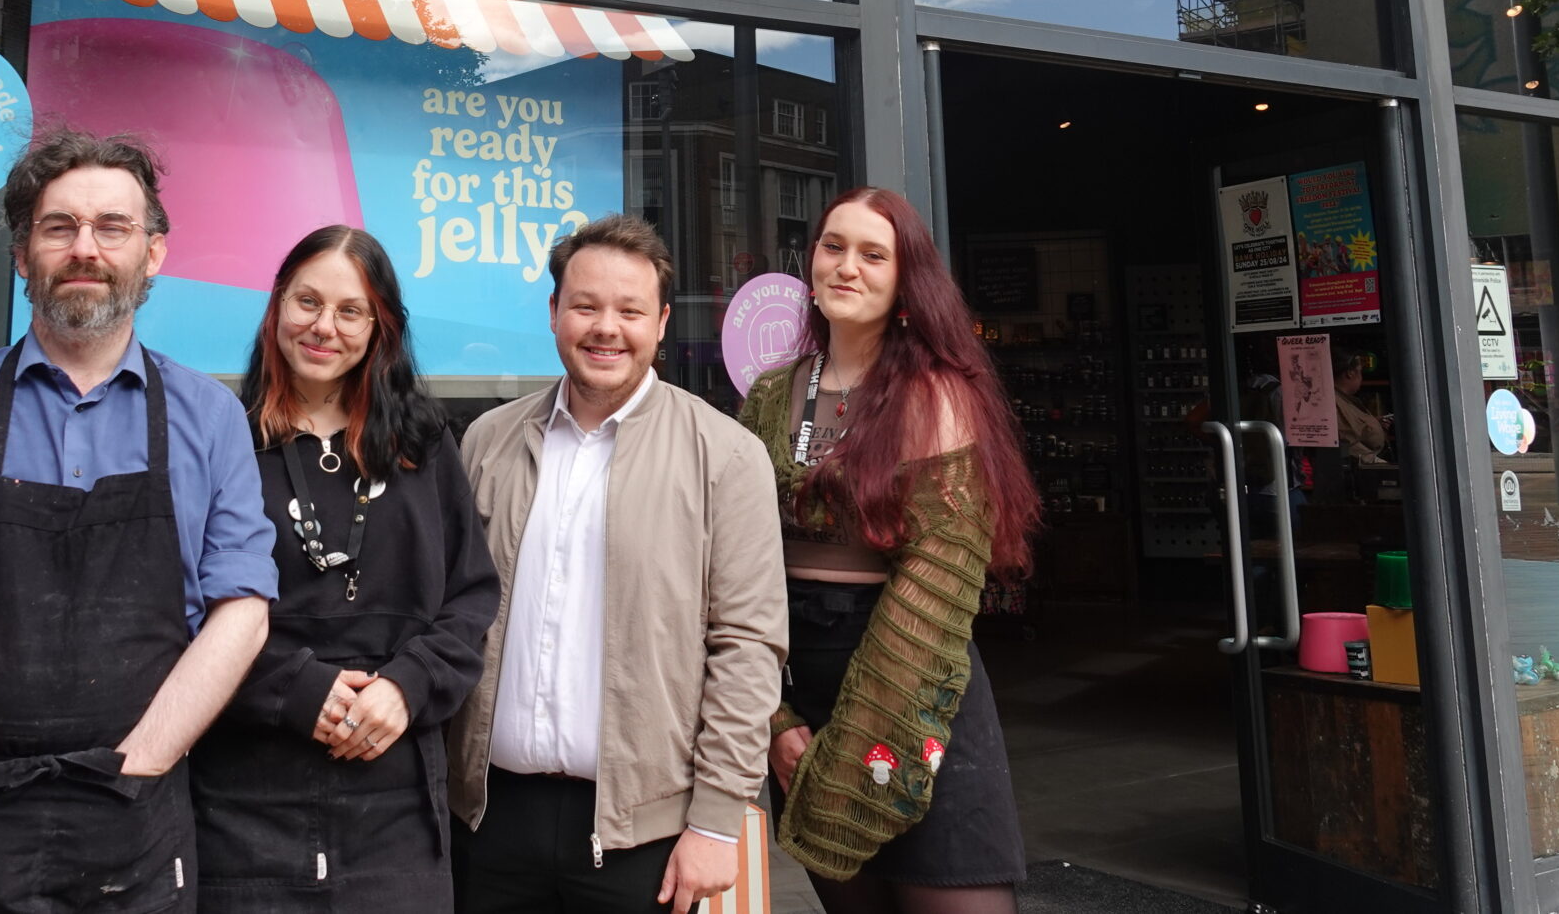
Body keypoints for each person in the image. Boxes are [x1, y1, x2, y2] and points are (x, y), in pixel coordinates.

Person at [0, 130, 276, 913]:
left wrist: (141, 763)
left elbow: (241, 608)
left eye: (113, 226)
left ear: (154, 252)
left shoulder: (210, 416)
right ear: (21, 254)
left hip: (139, 810)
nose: (85, 248)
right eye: (58, 226)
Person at [448, 214, 787, 914]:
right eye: (585, 305)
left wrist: (717, 819)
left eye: (630, 309)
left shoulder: (724, 455)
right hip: (487, 817)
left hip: (645, 836)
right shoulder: (487, 441)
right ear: (553, 313)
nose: (607, 326)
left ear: (661, 321)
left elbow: (748, 646)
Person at [737, 188, 1040, 913]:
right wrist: (775, 719)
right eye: (833, 245)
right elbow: (734, 570)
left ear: (908, 280)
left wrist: (854, 747)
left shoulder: (937, 395)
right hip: (799, 683)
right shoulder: (773, 395)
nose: (846, 266)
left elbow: (936, 588)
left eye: (874, 253)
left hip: (914, 676)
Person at [195, 226, 500, 911]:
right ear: (276, 306)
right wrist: (294, 686)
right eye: (308, 301)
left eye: (350, 310)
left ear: (380, 325)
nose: (323, 326)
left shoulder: (425, 444)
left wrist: (407, 685)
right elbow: (182, 608)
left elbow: (471, 596)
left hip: (394, 805)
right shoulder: (222, 440)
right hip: (244, 799)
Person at [1334, 349, 1388, 466]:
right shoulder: (1335, 401)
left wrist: (1374, 423)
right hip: (1360, 467)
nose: (1361, 377)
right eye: (1360, 371)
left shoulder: (1346, 399)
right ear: (1350, 373)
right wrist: (1376, 463)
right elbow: (1347, 441)